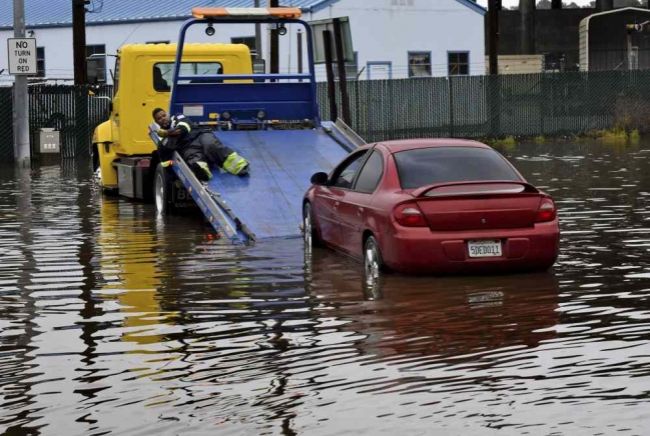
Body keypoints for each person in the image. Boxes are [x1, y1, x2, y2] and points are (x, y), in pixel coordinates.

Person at [151, 108, 250, 180]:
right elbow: (165, 161)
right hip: (188, 147)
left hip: (200, 135)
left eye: (164, 115)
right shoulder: (163, 141)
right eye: (159, 118)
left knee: (212, 146)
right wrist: (173, 177)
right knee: (194, 159)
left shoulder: (177, 117)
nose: (163, 119)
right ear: (156, 122)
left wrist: (168, 133)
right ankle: (203, 172)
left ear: (168, 115)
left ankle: (239, 166)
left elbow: (184, 128)